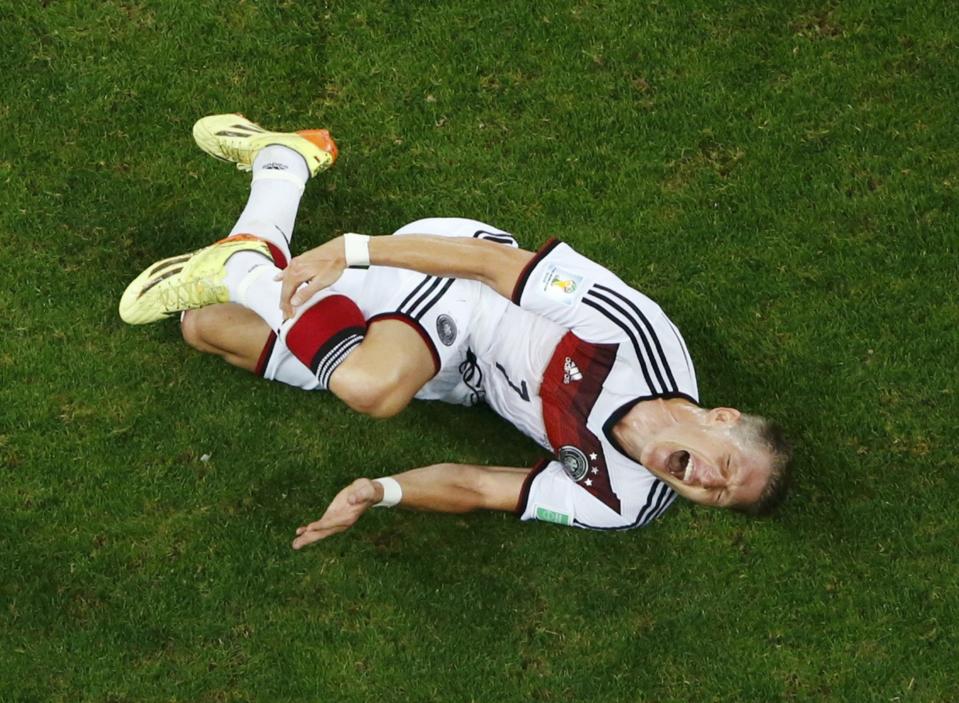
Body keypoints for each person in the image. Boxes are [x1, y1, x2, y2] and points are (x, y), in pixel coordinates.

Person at [120, 114, 791, 548]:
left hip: (450, 370)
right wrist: (351, 250)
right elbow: (488, 263)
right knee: (370, 387)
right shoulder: (635, 338)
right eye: (724, 464)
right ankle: (245, 266)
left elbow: (478, 487)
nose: (704, 480)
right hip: (458, 280)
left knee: (204, 326)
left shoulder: (623, 501)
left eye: (717, 495)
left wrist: (378, 491)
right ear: (719, 416)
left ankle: (282, 165)